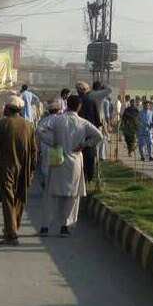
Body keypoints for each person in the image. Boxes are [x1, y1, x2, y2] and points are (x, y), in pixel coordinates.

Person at [37, 94, 103, 236]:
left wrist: (52, 142)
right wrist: (84, 145)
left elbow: (40, 130)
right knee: (73, 196)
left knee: (51, 194)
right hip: (75, 160)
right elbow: (99, 136)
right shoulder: (83, 123)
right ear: (79, 106)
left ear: (67, 105)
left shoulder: (57, 120)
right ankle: (66, 226)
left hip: (58, 157)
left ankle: (45, 226)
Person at [0, 95, 38, 245]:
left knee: (7, 199)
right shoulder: (29, 125)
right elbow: (34, 150)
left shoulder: (3, 124)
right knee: (19, 198)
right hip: (23, 167)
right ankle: (12, 227)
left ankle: (11, 234)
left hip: (7, 167)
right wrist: (32, 170)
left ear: (9, 109)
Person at [76, 80, 111, 181]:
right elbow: (96, 116)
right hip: (91, 127)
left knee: (82, 152)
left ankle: (83, 174)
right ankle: (89, 175)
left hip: (80, 128)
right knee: (91, 151)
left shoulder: (79, 99)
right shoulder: (93, 97)